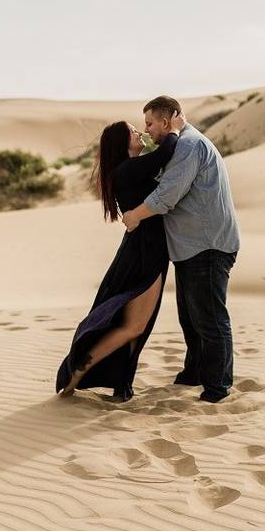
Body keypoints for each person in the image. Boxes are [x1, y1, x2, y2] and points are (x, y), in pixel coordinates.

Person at [56, 109, 187, 401]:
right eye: (133, 131)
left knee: (138, 325)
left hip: (146, 248)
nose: (140, 132)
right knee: (134, 325)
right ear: (122, 142)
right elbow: (165, 153)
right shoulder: (126, 170)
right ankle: (76, 370)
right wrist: (175, 129)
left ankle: (121, 386)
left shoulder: (131, 169)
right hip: (145, 252)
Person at [121, 95, 241, 403]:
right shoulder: (179, 145)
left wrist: (134, 215)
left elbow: (167, 196)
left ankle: (217, 387)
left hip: (207, 244)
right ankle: (195, 372)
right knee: (191, 316)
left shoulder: (189, 146)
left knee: (210, 319)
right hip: (192, 246)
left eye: (149, 123)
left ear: (165, 120)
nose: (146, 130)